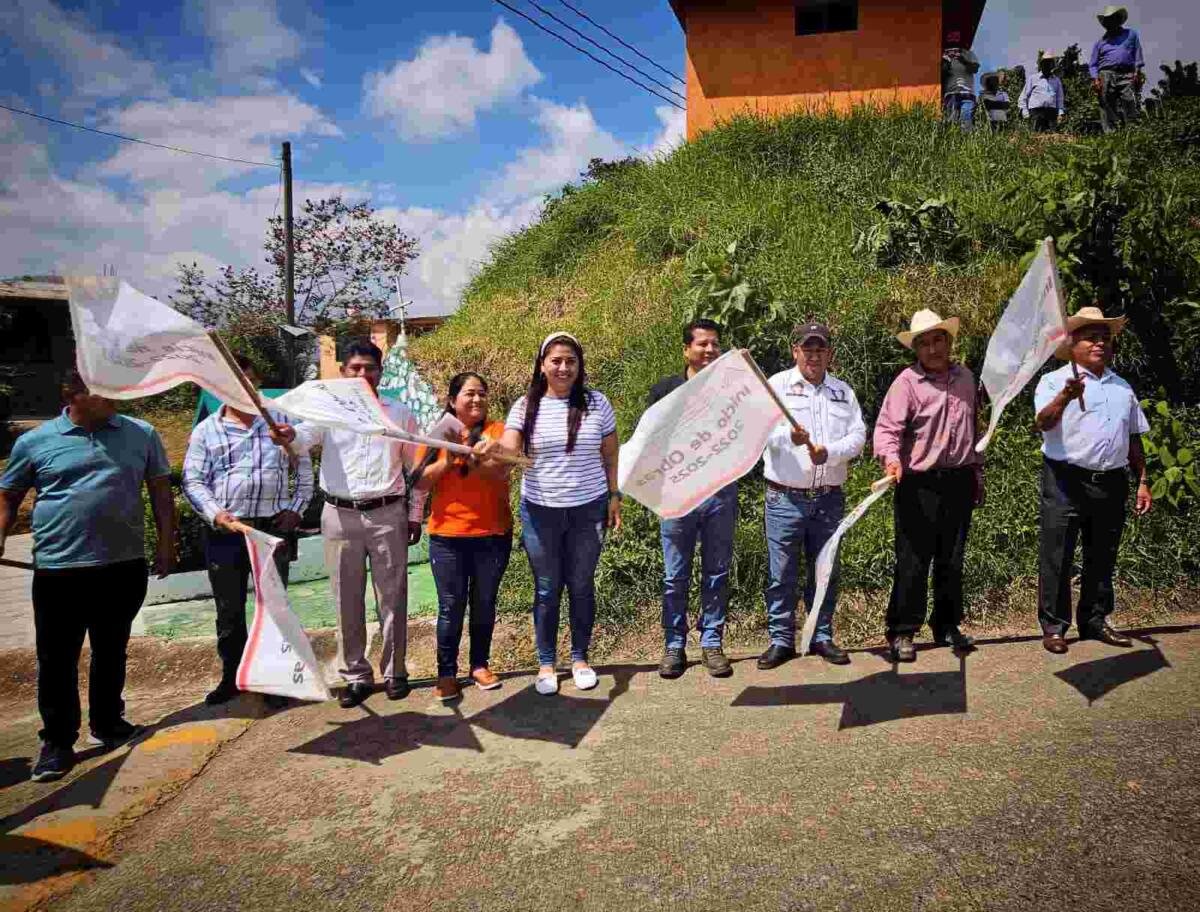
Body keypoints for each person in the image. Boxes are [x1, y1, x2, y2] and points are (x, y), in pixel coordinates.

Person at [0, 370, 174, 782]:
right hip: (60, 568)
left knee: (111, 649)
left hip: (123, 565)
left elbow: (162, 496)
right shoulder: (35, 442)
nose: (117, 395)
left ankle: (109, 723)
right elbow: (8, 495)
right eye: (105, 389)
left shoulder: (141, 434)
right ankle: (58, 742)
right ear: (73, 394)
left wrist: (166, 545)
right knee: (57, 658)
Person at [272, 339, 426, 708]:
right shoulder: (328, 411)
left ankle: (395, 672)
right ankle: (355, 675)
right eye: (354, 368)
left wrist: (415, 514)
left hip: (388, 513)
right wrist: (289, 437)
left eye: (369, 368)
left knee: (392, 597)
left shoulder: (399, 413)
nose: (362, 375)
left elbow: (416, 470)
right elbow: (303, 438)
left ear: (380, 372)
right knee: (346, 599)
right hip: (339, 516)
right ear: (343, 372)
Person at [182, 355, 313, 706]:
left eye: (247, 381)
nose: (241, 389)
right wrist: (215, 513)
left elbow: (303, 469)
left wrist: (295, 509)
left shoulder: (281, 424)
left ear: (256, 384)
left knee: (274, 605)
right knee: (228, 608)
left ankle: (274, 680)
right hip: (227, 531)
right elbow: (193, 480)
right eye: (230, 383)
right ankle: (234, 676)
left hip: (271, 529)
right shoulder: (207, 431)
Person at [495, 333, 620, 696]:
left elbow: (610, 454)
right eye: (556, 361)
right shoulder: (525, 406)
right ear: (542, 365)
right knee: (548, 588)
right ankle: (547, 663)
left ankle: (580, 659)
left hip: (588, 509)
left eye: (571, 361)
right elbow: (508, 453)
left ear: (579, 366)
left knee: (581, 585)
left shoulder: (597, 403)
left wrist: (614, 495)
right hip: (540, 513)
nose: (563, 368)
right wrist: (494, 450)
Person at [1033, 307, 1152, 654]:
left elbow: (1133, 438)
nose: (1100, 342)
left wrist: (1142, 479)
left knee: (1102, 553)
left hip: (1111, 481)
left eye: (1105, 337)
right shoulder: (1054, 381)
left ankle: (1095, 620)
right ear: (1073, 344)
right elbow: (1043, 422)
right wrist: (1066, 397)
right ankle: (1054, 627)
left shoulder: (1122, 387)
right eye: (1091, 336)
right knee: (1058, 553)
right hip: (1065, 478)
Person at [873, 310, 983, 663]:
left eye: (938, 340)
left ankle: (947, 626)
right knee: (913, 560)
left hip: (959, 480)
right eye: (924, 343)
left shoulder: (966, 378)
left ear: (949, 343)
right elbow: (888, 430)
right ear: (916, 350)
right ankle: (902, 631)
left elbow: (975, 429)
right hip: (917, 482)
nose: (933, 348)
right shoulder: (907, 382)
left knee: (952, 559)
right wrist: (891, 460)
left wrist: (977, 473)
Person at [758, 322, 866, 670]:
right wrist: (788, 438)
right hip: (784, 499)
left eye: (820, 349)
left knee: (826, 570)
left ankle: (821, 635)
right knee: (782, 573)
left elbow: (858, 437)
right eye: (808, 349)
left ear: (829, 354)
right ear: (795, 351)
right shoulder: (776, 387)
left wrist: (830, 452)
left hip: (829, 498)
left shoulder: (842, 392)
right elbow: (760, 436)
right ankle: (781, 639)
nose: (814, 355)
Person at [412, 372, 513, 702]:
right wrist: (448, 461)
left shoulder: (497, 432)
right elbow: (420, 482)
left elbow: (502, 469)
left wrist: (475, 455)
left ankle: (480, 665)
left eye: (482, 394)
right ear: (452, 400)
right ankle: (446, 673)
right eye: (469, 394)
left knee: (484, 603)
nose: (477, 400)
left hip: (493, 533)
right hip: (448, 536)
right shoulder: (437, 436)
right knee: (451, 606)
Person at [646, 319, 737, 680]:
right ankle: (674, 644)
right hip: (677, 495)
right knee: (675, 576)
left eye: (715, 344)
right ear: (687, 349)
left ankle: (712, 641)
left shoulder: (733, 391)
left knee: (717, 572)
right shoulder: (665, 390)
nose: (709, 350)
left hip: (720, 493)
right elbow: (649, 441)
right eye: (702, 344)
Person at [1090, 5, 1144, 133]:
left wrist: (1137, 72)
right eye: (1107, 20)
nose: (1110, 23)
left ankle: (1133, 132)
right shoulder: (1100, 42)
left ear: (1118, 20)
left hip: (1126, 73)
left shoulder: (1131, 35)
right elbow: (1093, 64)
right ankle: (1110, 134)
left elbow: (1137, 54)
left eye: (1112, 19)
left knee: (1129, 100)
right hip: (1106, 74)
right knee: (1107, 104)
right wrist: (1095, 80)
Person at [942, 35, 980, 131]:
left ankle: (966, 143)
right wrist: (946, 61)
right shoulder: (944, 55)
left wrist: (963, 60)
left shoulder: (969, 54)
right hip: (951, 94)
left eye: (956, 44)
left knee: (966, 120)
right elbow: (941, 74)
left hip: (967, 93)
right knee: (951, 120)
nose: (954, 50)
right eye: (952, 43)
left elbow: (975, 69)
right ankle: (951, 142)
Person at [1019, 53, 1065, 133]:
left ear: (1052, 65)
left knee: (1052, 137)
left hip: (1052, 113)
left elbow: (1060, 98)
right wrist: (1025, 113)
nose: (1047, 65)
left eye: (1050, 63)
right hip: (1036, 112)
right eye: (1045, 63)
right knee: (1036, 137)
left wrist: (1060, 113)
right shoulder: (1033, 78)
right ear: (1041, 64)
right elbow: (1023, 97)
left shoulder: (1056, 80)